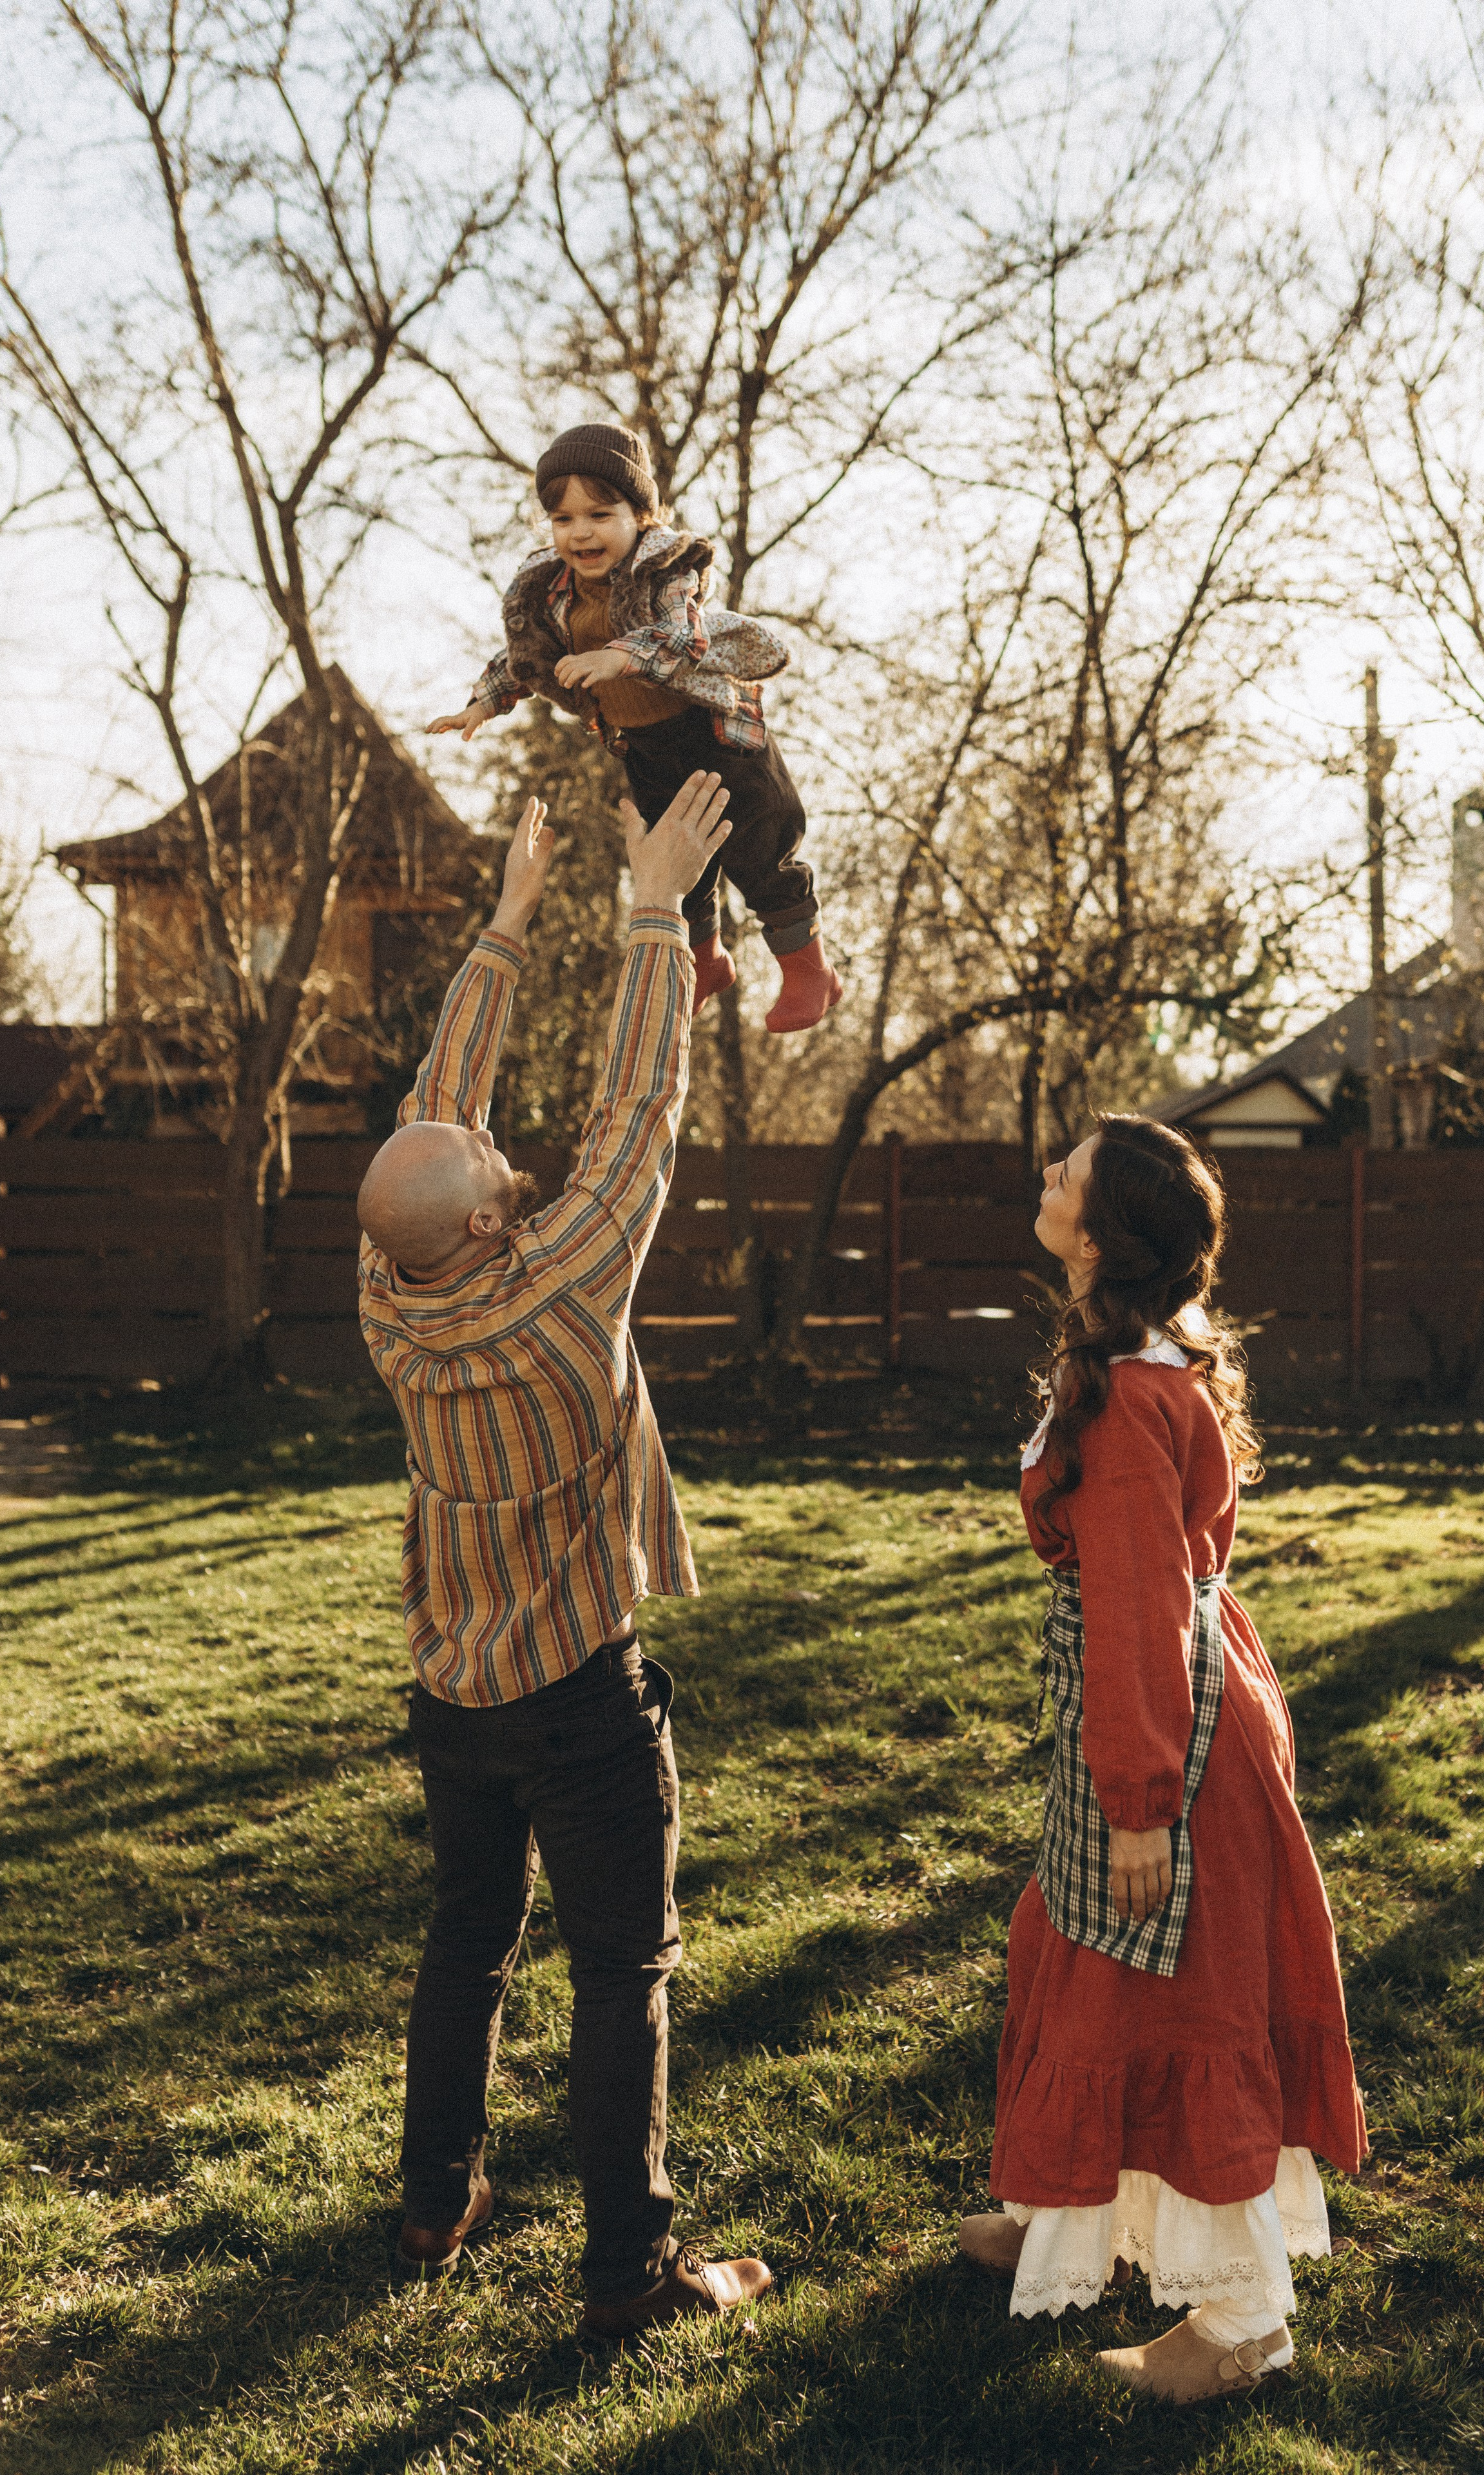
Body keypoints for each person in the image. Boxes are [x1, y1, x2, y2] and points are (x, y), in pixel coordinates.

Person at [356, 775, 774, 2342]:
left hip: (449, 1691)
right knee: (623, 1970)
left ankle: (433, 2193)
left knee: (467, 1932)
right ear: (480, 1222)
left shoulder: (393, 1289)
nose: (478, 1132)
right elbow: (638, 1114)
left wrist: (511, 925)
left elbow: (432, 1114)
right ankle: (628, 2278)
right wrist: (650, 908)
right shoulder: (560, 1288)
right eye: (476, 1156)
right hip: (577, 1702)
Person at [957, 1118, 1367, 2403]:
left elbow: (1140, 1600)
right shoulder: (1133, 1363)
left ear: (1100, 1232)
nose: (1044, 1180)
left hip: (1166, 1735)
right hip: (1155, 1704)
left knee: (1183, 1999)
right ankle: (1063, 2211)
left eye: (1063, 1174)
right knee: (1074, 1951)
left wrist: (1141, 1810)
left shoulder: (1130, 1396)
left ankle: (1242, 2320)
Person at [429, 419, 842, 1036]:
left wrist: (617, 657)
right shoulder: (551, 593)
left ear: (640, 515)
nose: (581, 533)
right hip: (647, 749)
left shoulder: (664, 571)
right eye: (564, 520)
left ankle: (809, 968)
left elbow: (686, 637)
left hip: (715, 734)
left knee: (760, 846)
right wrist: (482, 705)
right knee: (674, 860)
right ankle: (705, 960)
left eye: (600, 514)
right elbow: (525, 656)